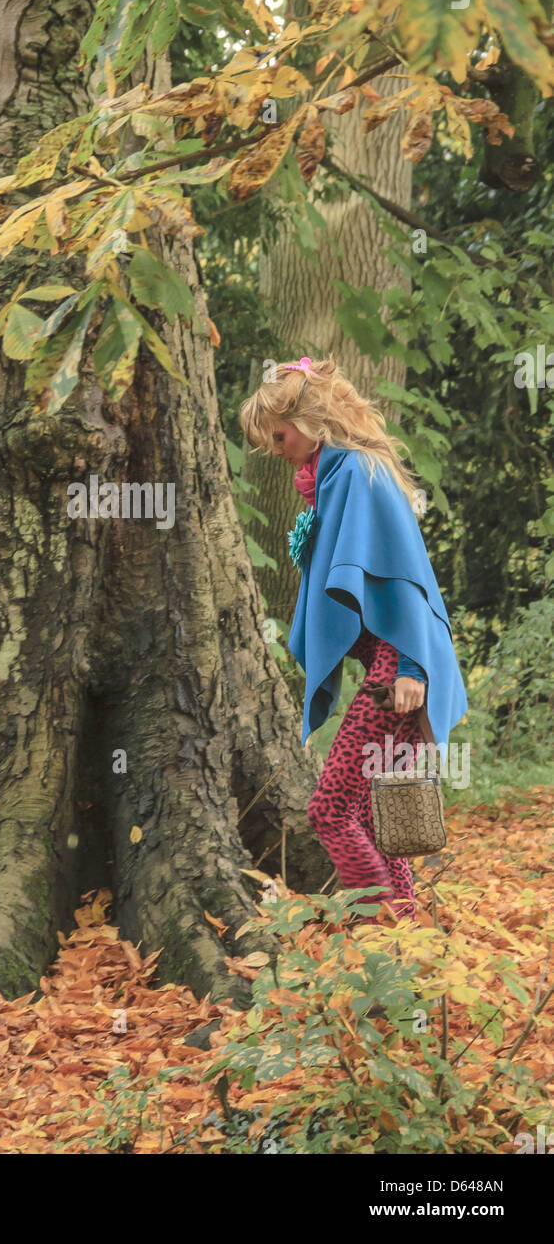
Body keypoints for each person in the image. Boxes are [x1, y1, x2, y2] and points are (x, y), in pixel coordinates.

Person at [239, 356, 467, 923]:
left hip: (397, 667)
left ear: (309, 418)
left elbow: (406, 574)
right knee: (373, 813)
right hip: (389, 663)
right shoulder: (336, 479)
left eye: (278, 434)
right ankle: (408, 937)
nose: (275, 447)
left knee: (331, 809)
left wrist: (413, 667)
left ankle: (380, 929)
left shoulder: (358, 473)